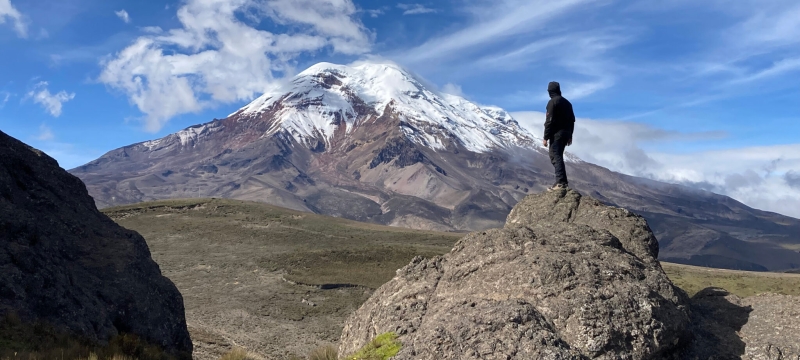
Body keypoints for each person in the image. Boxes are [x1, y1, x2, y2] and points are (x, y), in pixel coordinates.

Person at [542, 81, 575, 191]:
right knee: (558, 156)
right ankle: (563, 182)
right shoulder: (567, 103)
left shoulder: (552, 102)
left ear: (550, 91)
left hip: (557, 134)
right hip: (566, 134)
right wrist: (570, 135)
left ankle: (561, 182)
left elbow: (549, 120)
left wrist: (545, 137)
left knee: (555, 156)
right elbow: (572, 121)